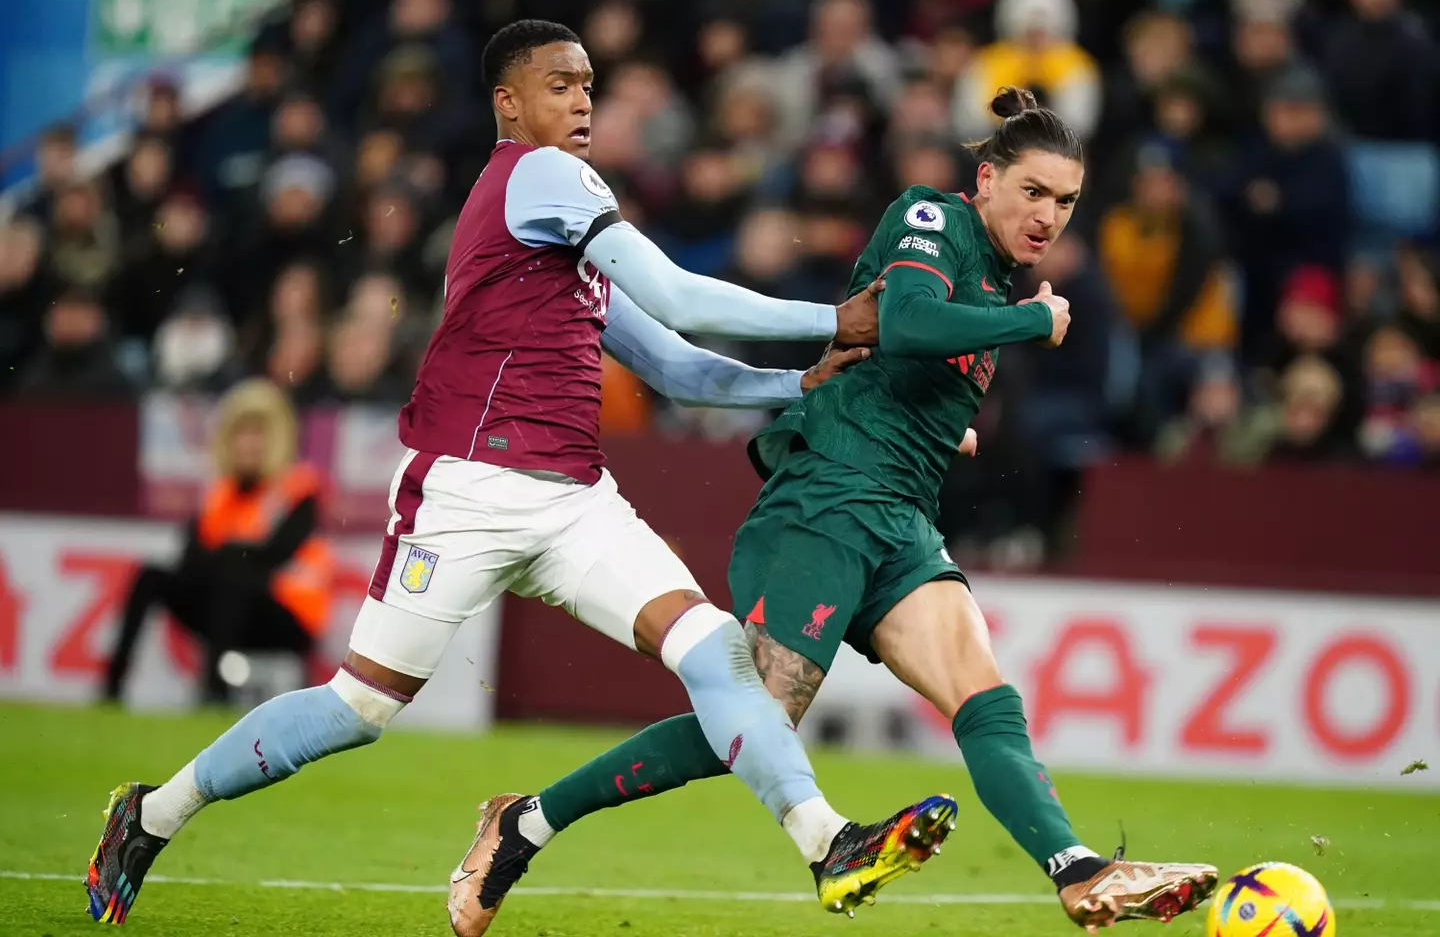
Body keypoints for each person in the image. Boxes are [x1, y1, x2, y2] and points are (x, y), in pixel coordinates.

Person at [84, 20, 956, 928]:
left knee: (714, 650)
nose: (582, 101)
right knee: (359, 707)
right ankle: (150, 814)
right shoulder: (543, 177)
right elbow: (684, 297)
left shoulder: (569, 231)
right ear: (509, 103)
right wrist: (844, 320)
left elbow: (677, 367)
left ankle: (827, 843)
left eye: (588, 84)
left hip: (575, 500)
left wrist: (801, 383)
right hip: (465, 488)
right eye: (560, 85)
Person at [458, 87, 1219, 935]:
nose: (1048, 216)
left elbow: (909, 373)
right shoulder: (933, 218)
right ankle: (524, 824)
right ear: (988, 177)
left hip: (900, 517)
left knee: (984, 695)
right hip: (824, 498)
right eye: (1033, 191)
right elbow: (905, 316)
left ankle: (1076, 868)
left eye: (1067, 201)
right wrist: (1032, 322)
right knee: (755, 722)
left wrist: (946, 431)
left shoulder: (1000, 287)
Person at [102, 379, 332, 705]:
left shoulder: (298, 490)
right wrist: (224, 556)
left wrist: (224, 554)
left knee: (232, 577)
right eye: (242, 433)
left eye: (259, 434)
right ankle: (111, 688)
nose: (249, 444)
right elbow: (189, 560)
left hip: (287, 615)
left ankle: (212, 694)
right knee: (151, 575)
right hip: (224, 605)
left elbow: (274, 556)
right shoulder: (218, 494)